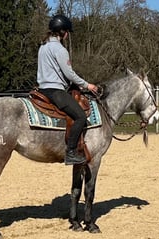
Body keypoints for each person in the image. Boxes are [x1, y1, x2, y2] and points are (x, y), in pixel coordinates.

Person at [37, 14, 98, 165]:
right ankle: (71, 152)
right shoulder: (59, 49)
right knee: (80, 117)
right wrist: (87, 85)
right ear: (62, 31)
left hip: (42, 89)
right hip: (55, 91)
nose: (68, 34)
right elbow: (69, 73)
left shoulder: (43, 47)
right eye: (67, 31)